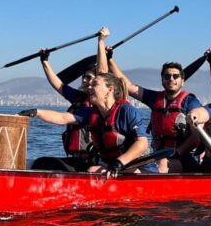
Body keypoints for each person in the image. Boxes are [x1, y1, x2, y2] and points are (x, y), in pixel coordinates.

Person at [22, 73, 151, 173]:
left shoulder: (127, 111)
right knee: (44, 163)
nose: (89, 87)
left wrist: (119, 163)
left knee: (92, 170)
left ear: (109, 90)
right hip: (108, 164)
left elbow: (142, 143)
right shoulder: (91, 113)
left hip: (132, 164)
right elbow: (62, 117)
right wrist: (36, 112)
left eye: (95, 84)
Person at [32, 28, 110, 170]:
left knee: (45, 164)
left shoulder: (98, 106)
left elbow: (103, 72)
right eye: (84, 77)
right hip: (75, 159)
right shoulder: (78, 97)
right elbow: (58, 84)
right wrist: (44, 61)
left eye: (89, 78)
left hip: (90, 161)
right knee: (41, 162)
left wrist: (101, 41)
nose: (86, 81)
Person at [109, 56, 201, 173]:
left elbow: (196, 137)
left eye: (176, 76)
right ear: (162, 80)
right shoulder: (154, 99)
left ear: (182, 81)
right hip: (159, 155)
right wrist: (110, 60)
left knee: (161, 164)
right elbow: (128, 86)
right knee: (133, 165)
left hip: (183, 157)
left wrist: (176, 153)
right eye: (167, 76)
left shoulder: (190, 102)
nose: (171, 79)